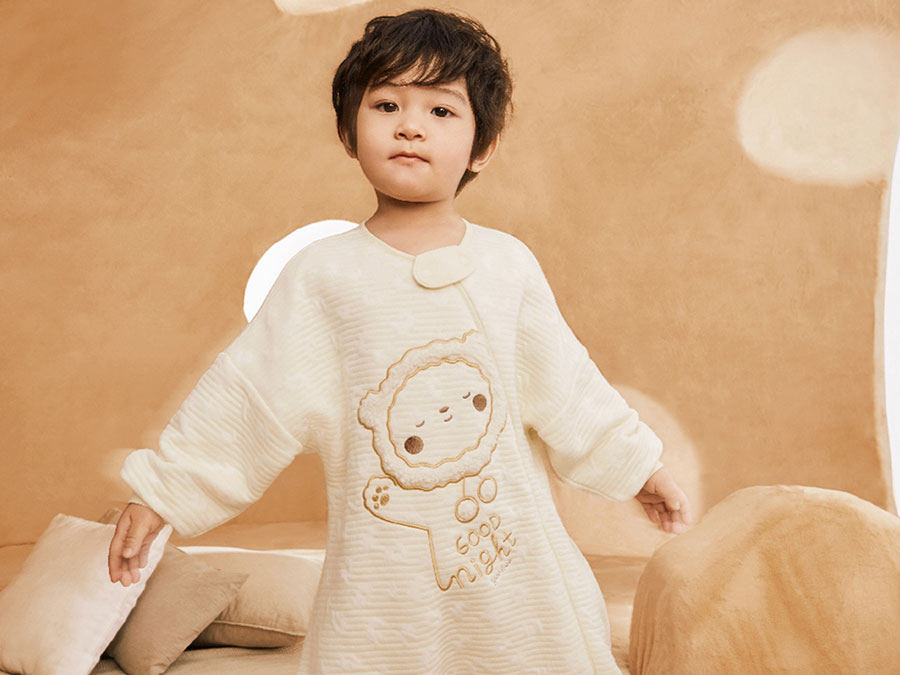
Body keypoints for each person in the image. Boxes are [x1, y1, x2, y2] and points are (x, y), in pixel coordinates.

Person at [108, 8, 691, 674]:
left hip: (512, 573)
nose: (411, 126)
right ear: (349, 131)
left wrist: (640, 465)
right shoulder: (322, 277)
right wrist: (162, 493)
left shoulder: (507, 266)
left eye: (441, 111)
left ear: (482, 147)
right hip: (383, 582)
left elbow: (569, 385)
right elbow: (250, 396)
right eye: (386, 105)